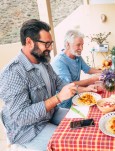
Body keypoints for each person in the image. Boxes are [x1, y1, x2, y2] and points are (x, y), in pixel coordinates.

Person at [0, 19, 96, 150]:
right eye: (46, 44)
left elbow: (60, 84)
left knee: (87, 122)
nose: (50, 48)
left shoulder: (43, 62)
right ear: (29, 42)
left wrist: (85, 90)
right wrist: (58, 98)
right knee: (72, 142)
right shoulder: (13, 73)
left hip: (51, 113)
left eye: (51, 43)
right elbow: (21, 116)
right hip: (29, 130)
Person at [51, 30, 102, 108]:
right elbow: (69, 86)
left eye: (82, 45)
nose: (81, 48)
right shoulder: (59, 61)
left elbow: (87, 69)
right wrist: (91, 82)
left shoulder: (77, 56)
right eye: (78, 45)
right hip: (65, 104)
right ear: (67, 44)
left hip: (77, 96)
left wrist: (103, 72)